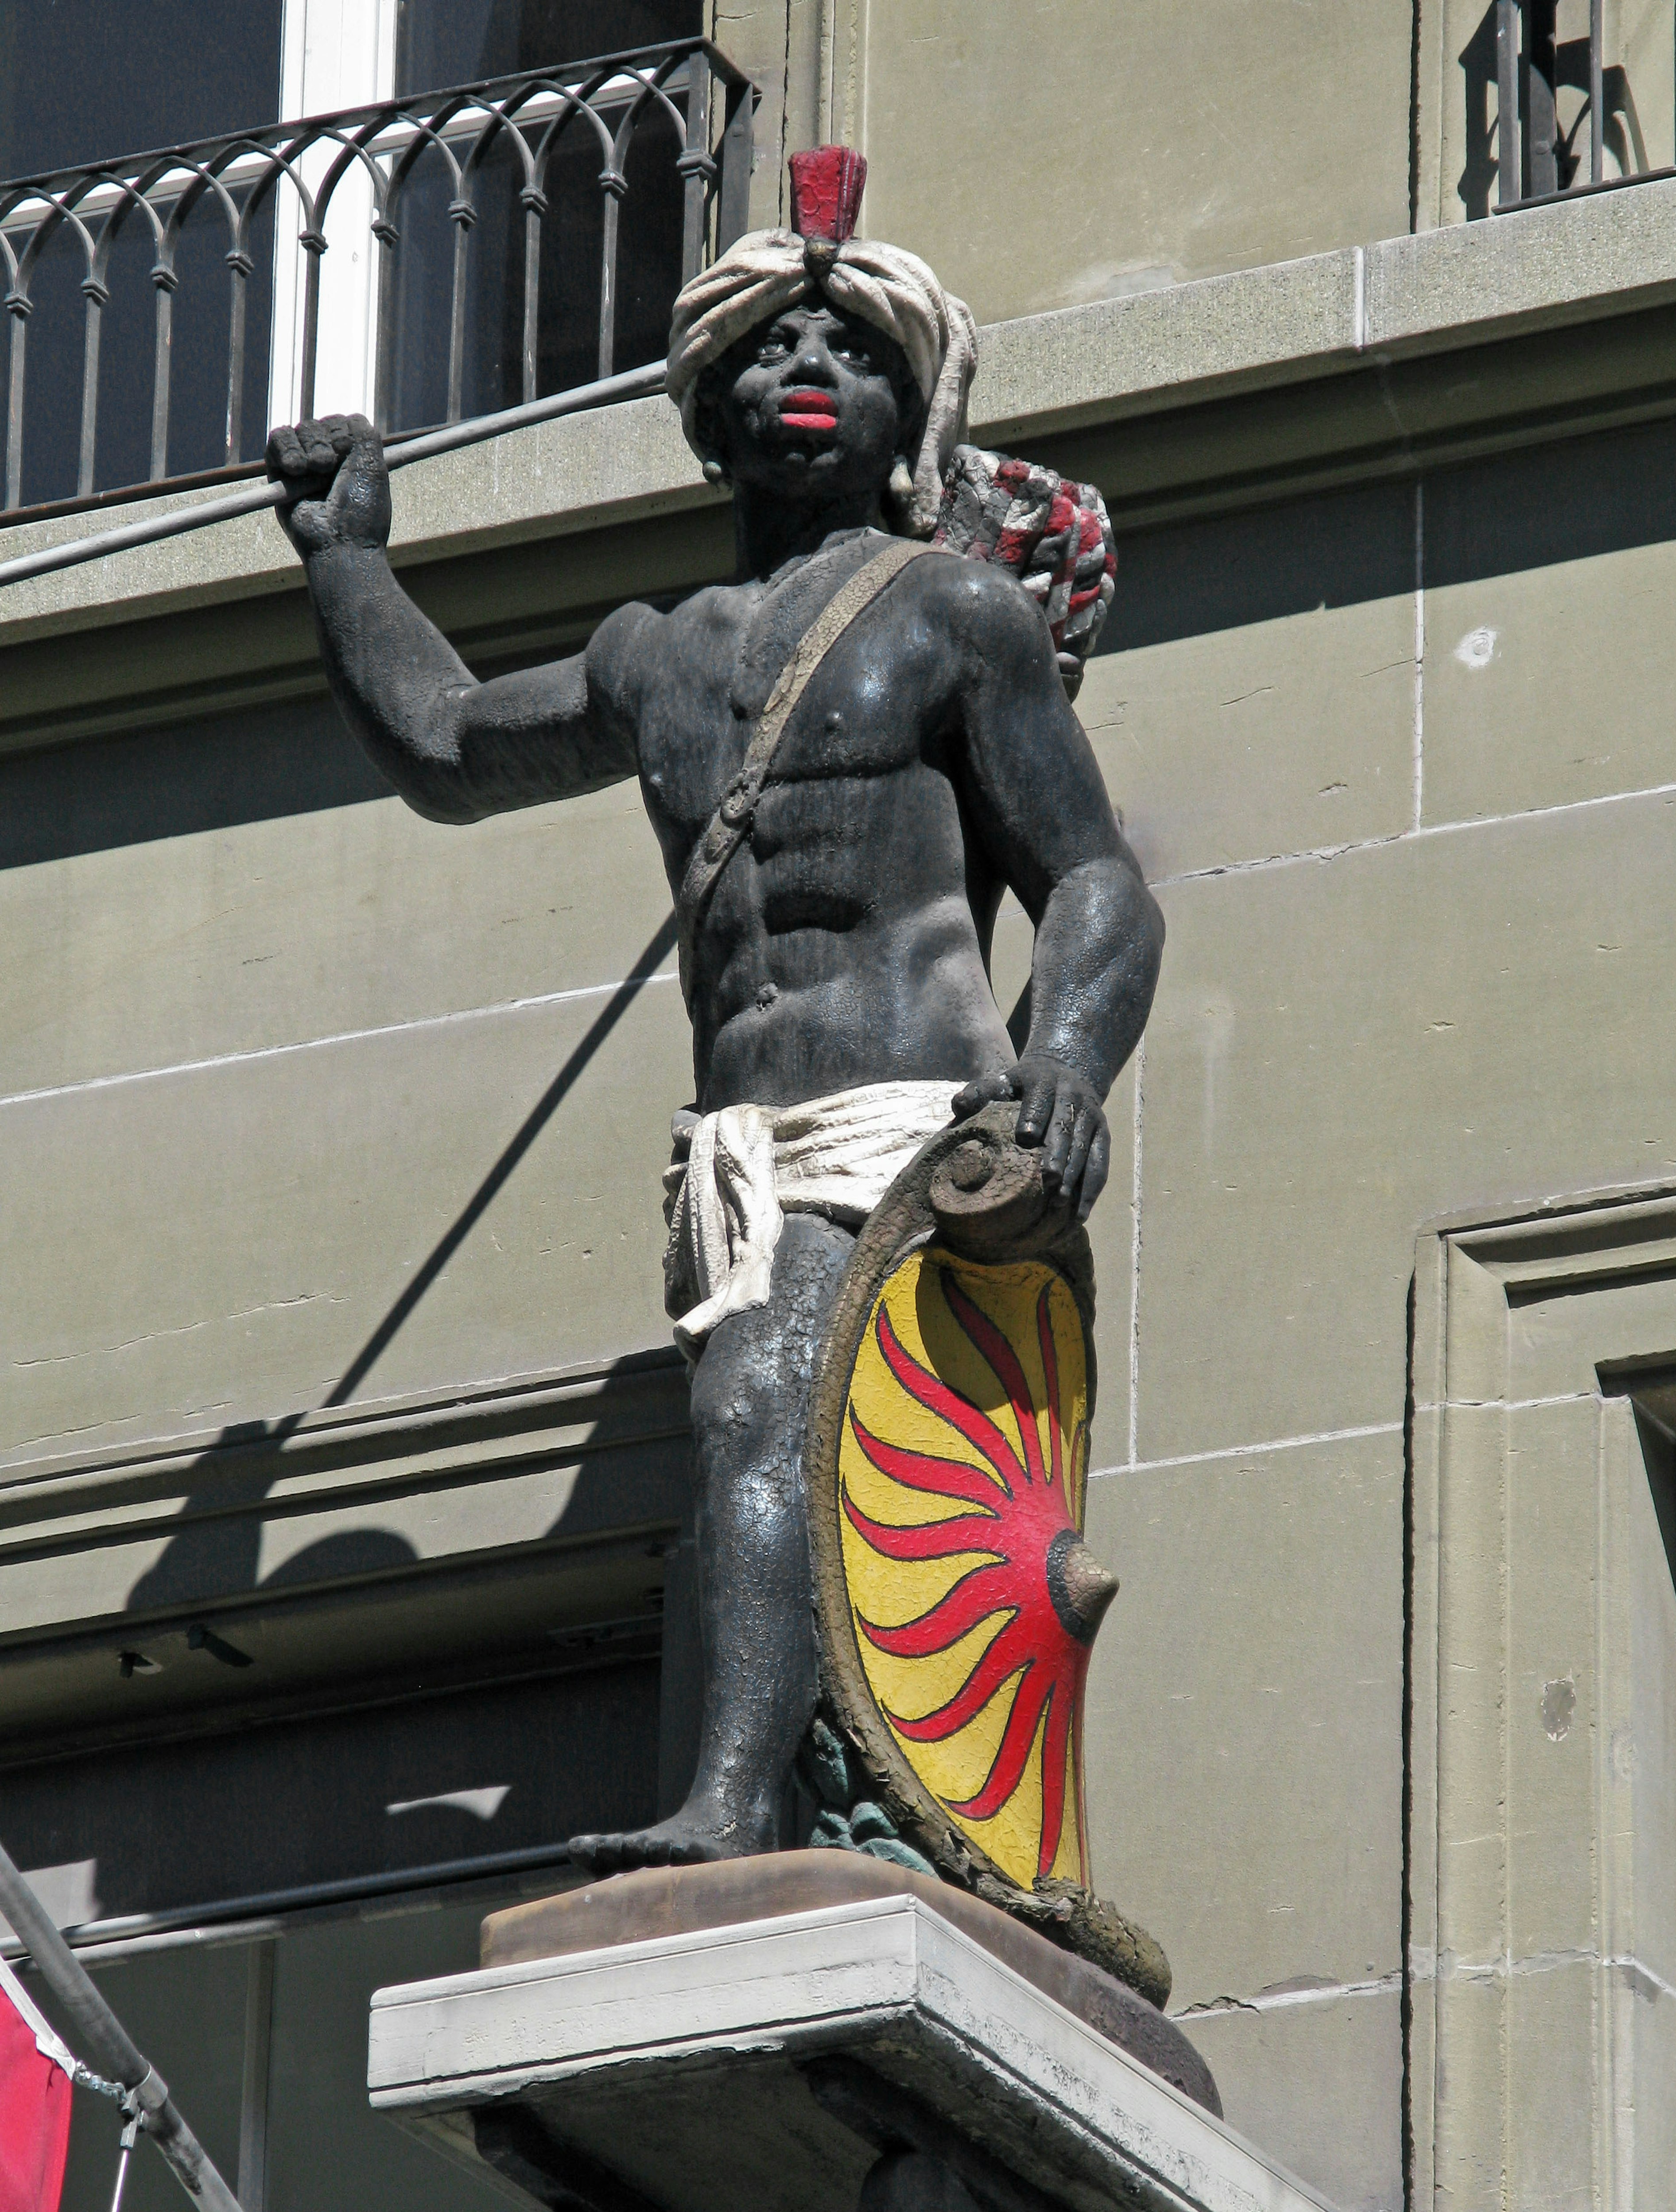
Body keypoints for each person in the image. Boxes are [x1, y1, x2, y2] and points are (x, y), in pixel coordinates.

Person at [266, 148, 1164, 1871]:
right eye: (764, 349)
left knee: (784, 1419)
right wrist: (348, 563)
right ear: (704, 408)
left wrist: (1064, 1065)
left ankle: (742, 1807)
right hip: (737, 1135)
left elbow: (1098, 880)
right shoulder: (652, 658)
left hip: (911, 1105)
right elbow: (451, 744)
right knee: (742, 1423)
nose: (802, 371)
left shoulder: (952, 615)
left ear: (910, 407)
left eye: (846, 350)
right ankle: (770, 1793)